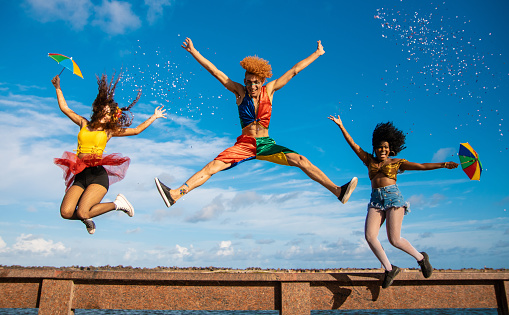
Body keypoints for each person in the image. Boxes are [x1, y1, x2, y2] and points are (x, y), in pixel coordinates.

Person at [155, 38, 357, 207]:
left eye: (256, 82)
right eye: (248, 81)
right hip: (244, 145)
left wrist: (317, 53)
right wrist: (193, 51)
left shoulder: (269, 90)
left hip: (266, 145)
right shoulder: (239, 92)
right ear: (244, 81)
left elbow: (294, 71)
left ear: (262, 81)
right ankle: (175, 194)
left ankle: (338, 191)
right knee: (212, 167)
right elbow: (216, 72)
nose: (252, 85)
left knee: (302, 161)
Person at [329, 113, 458, 288]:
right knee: (370, 236)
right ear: (375, 148)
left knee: (394, 239)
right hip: (375, 200)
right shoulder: (369, 160)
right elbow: (353, 145)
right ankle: (390, 269)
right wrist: (341, 126)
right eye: (379, 147)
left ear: (390, 149)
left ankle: (421, 258)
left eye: (386, 148)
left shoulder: (397, 162)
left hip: (393, 198)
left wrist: (443, 164)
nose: (382, 150)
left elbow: (420, 166)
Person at [52, 74, 166, 234]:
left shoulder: (109, 132)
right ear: (98, 111)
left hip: (97, 175)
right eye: (104, 112)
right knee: (66, 213)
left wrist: (154, 116)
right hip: (80, 174)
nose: (106, 117)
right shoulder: (84, 123)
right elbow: (65, 108)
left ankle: (118, 204)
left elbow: (136, 130)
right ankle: (88, 216)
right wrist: (57, 87)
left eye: (109, 115)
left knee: (83, 212)